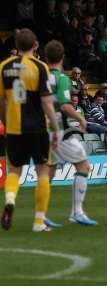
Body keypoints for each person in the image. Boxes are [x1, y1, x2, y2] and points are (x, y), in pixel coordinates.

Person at [0, 28, 60, 232]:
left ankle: (10, 200)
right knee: (43, 171)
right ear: (35, 45)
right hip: (37, 128)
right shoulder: (40, 66)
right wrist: (56, 127)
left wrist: (6, 122)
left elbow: (1, 101)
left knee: (14, 171)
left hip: (14, 128)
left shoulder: (3, 67)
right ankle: (38, 222)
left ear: (15, 45)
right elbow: (46, 102)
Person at [43, 40, 97, 227]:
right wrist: (81, 119)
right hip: (59, 130)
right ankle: (77, 212)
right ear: (62, 57)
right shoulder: (62, 78)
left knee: (48, 173)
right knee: (83, 166)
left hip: (43, 129)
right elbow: (65, 105)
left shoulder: (39, 76)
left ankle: (40, 215)